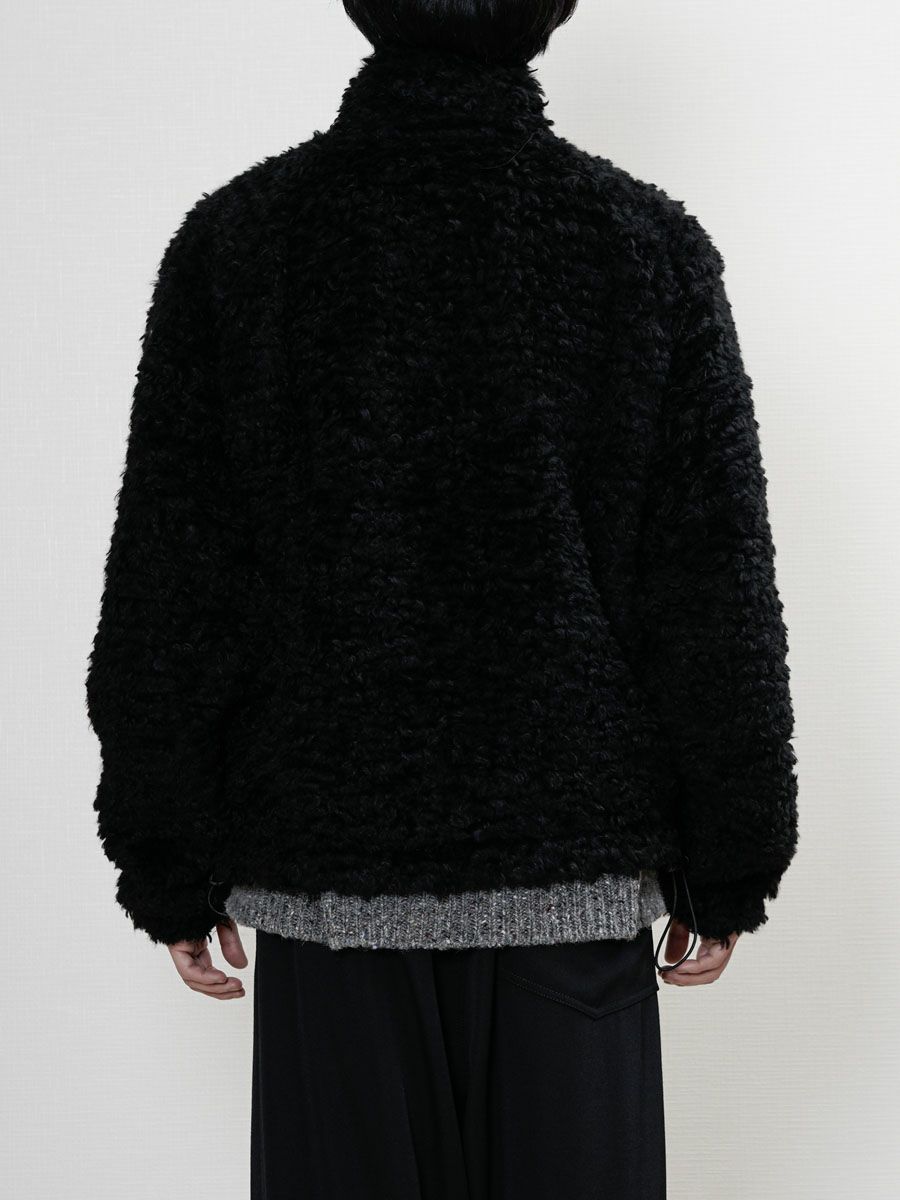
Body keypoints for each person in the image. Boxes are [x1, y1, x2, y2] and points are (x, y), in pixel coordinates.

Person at [85, 1, 799, 1195]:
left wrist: (166, 851)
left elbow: (174, 582)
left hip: (331, 886)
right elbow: (710, 586)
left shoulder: (241, 243)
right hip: (570, 882)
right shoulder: (642, 245)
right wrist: (733, 852)